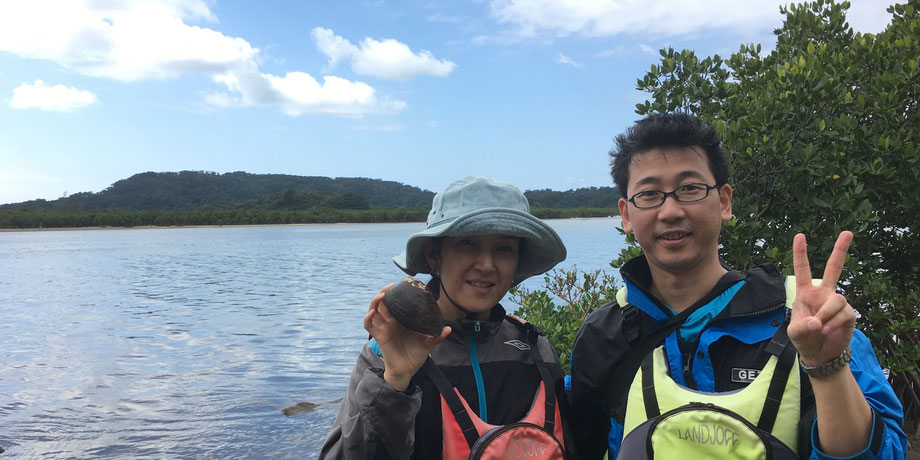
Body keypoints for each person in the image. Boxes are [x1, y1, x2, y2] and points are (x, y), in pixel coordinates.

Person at [568, 113, 907, 459]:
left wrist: (827, 366)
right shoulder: (603, 335)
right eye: (650, 194)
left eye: (689, 189)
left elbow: (888, 452)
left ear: (725, 201)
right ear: (626, 214)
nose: (669, 211)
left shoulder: (805, 319)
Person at [320, 176, 570, 459]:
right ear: (433, 255)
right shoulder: (384, 354)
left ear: (517, 260)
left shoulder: (535, 349)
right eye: (467, 243)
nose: (487, 265)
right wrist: (394, 382)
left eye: (504, 248)